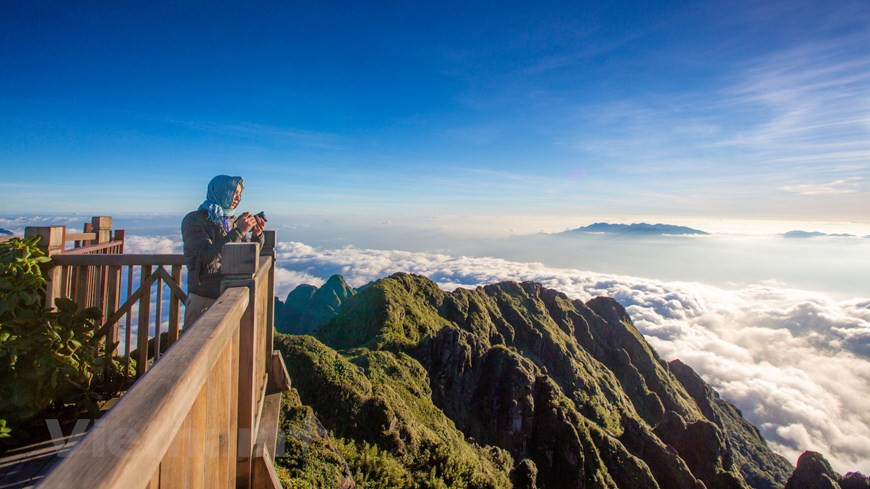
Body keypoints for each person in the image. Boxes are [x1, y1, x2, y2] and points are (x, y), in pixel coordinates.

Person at [181, 175, 265, 326]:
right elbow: (204, 257)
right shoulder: (194, 220)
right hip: (204, 297)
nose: (238, 198)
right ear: (221, 192)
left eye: (240, 194)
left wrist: (257, 235)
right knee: (196, 346)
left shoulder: (230, 220)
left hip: (229, 296)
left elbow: (243, 254)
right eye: (234, 193)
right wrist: (238, 231)